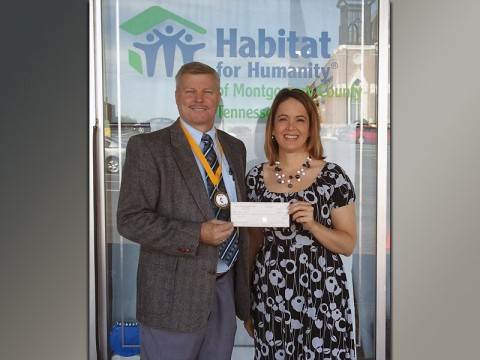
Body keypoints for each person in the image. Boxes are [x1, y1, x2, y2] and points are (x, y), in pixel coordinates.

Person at [116, 62, 250, 359]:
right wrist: (197, 233)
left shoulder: (235, 148)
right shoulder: (149, 147)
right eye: (190, 91)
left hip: (224, 289)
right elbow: (130, 220)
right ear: (177, 96)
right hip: (171, 297)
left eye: (207, 91)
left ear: (218, 97)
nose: (199, 99)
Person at [244, 88, 357, 359]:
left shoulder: (333, 177)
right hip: (271, 297)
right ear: (272, 127)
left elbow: (348, 244)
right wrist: (246, 303)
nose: (291, 127)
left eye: (300, 120)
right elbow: (252, 245)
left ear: (310, 129)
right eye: (283, 119)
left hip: (323, 299)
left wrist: (315, 225)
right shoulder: (255, 179)